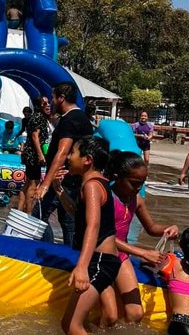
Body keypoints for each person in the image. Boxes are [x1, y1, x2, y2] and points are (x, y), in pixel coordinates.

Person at [99, 151, 178, 326]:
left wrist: (168, 228)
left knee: (135, 314)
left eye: (142, 184)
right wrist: (142, 252)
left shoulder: (136, 200)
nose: (138, 188)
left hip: (120, 256)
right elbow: (104, 235)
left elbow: (151, 228)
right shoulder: (105, 198)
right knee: (110, 316)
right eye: (134, 183)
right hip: (100, 256)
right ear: (117, 177)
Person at [52, 136, 120, 335]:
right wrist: (59, 190)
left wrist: (81, 267)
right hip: (102, 260)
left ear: (87, 160)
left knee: (72, 325)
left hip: (100, 262)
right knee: (72, 324)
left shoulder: (91, 186)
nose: (69, 158)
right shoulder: (97, 183)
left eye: (72, 153)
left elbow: (93, 226)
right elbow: (77, 214)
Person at [35, 83, 94, 245]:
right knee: (68, 223)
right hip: (74, 179)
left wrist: (45, 184)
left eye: (53, 98)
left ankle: (48, 251)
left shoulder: (69, 120)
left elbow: (62, 153)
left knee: (38, 217)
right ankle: (69, 256)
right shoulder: (81, 118)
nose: (51, 103)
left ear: (61, 98)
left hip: (61, 179)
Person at [20, 96, 51, 213]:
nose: (48, 105)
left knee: (27, 183)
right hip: (33, 154)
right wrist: (40, 155)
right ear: (39, 106)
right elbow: (35, 136)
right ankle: (28, 213)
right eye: (44, 104)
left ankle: (19, 210)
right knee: (34, 184)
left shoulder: (36, 117)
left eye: (48, 103)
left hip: (29, 153)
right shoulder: (39, 117)